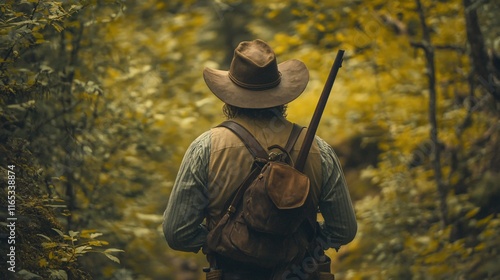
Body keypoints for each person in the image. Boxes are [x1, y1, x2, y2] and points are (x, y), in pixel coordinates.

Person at [163, 39, 357, 279]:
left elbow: (177, 233)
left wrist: (227, 239)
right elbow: (343, 230)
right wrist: (298, 238)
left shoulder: (205, 148)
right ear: (282, 98)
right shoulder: (320, 150)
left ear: (229, 98)